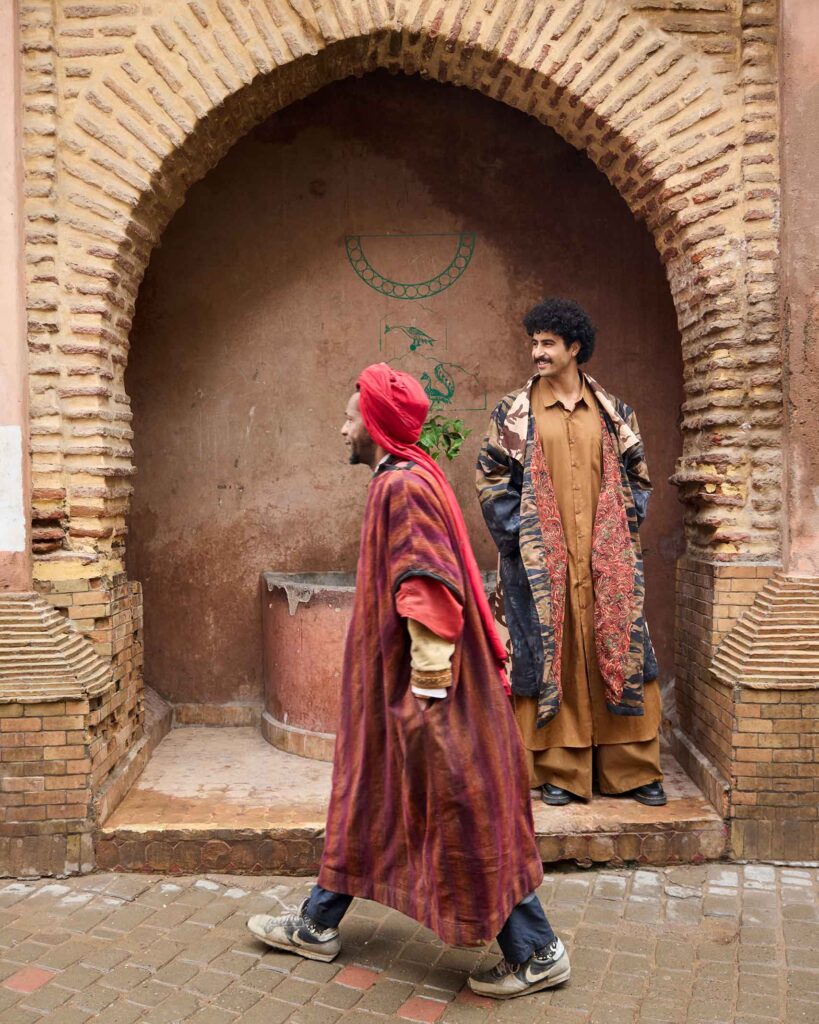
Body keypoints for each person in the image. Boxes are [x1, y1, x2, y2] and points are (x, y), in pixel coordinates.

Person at [248, 363, 570, 1000]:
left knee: (460, 807)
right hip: (401, 690)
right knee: (373, 796)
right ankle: (317, 923)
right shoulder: (408, 474)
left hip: (428, 690)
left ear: (372, 423)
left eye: (349, 417)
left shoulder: (401, 488)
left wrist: (425, 690)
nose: (341, 429)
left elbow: (425, 585)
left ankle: (535, 950)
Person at [476, 298, 666, 808]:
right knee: (551, 655)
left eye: (547, 344)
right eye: (533, 343)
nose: (536, 352)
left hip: (606, 564)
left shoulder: (614, 414)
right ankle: (560, 769)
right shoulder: (513, 414)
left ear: (574, 347)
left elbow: (638, 478)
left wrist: (618, 535)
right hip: (542, 569)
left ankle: (633, 769)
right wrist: (526, 538)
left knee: (621, 649)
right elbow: (491, 480)